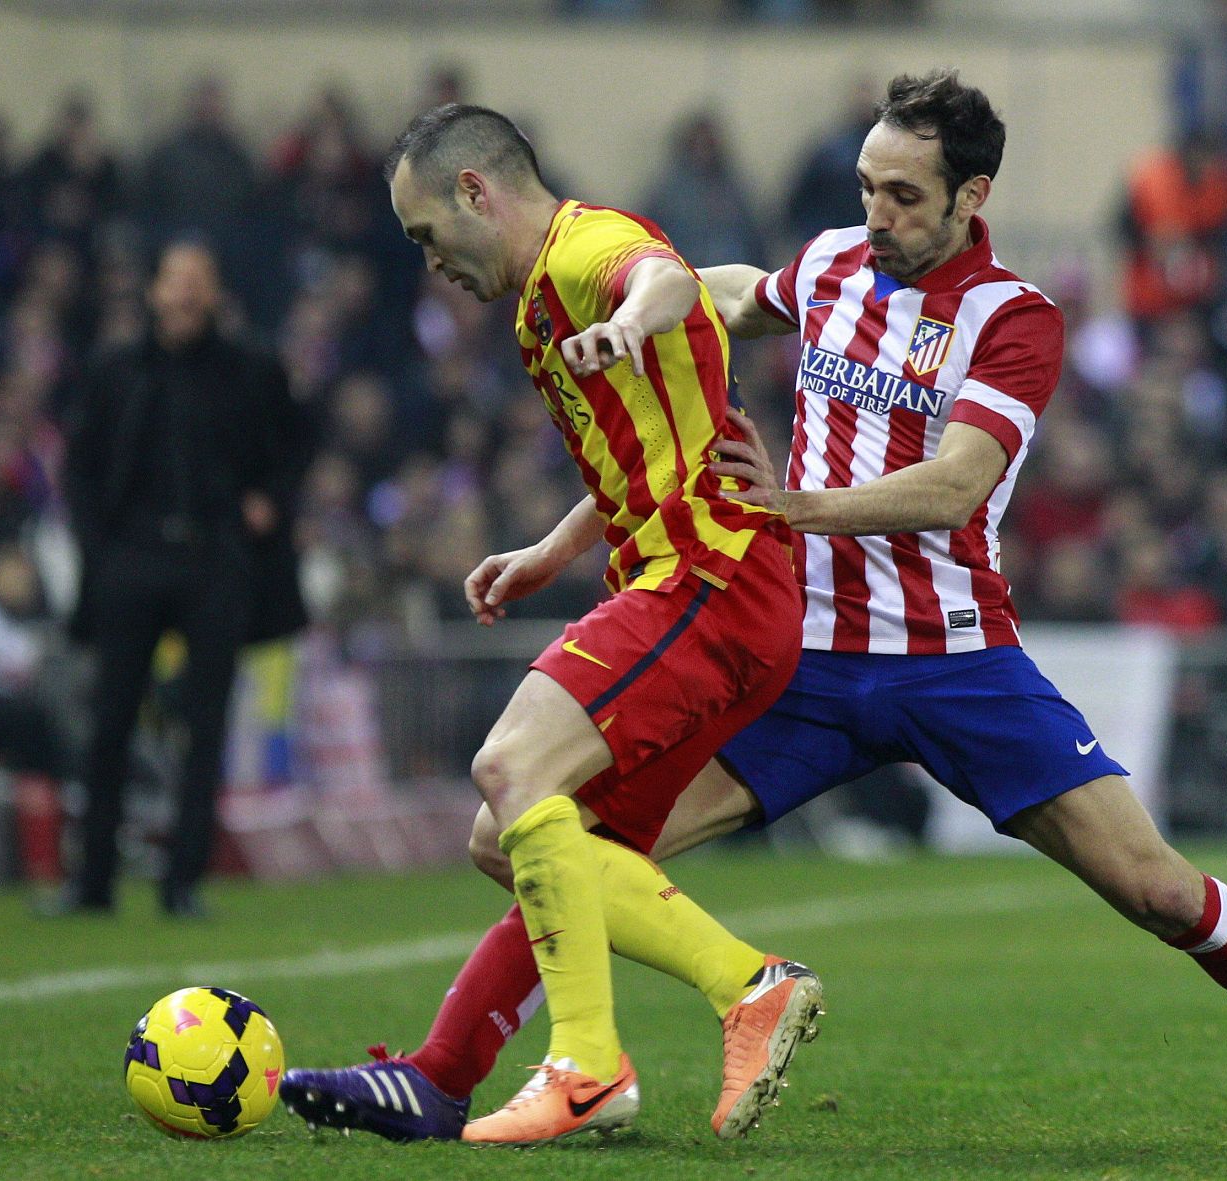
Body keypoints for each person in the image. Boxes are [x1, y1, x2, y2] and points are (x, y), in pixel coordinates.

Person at [284, 73, 1227, 1156]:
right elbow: (706, 293)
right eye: (869, 186)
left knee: (1157, 889)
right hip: (799, 661)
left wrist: (792, 507)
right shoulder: (830, 266)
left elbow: (960, 482)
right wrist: (638, 319)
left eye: (904, 198)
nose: (875, 215)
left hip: (953, 658)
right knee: (561, 838)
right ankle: (442, 1077)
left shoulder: (1015, 319)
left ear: (970, 199)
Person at [282, 104, 822, 1147]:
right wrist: (552, 549)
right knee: (521, 842)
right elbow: (644, 442)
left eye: (426, 234)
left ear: (476, 192)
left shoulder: (587, 250)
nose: (428, 261)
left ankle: (598, 1057)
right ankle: (442, 1077)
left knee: (508, 769)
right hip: (706, 584)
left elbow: (658, 275)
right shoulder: (541, 299)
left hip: (707, 580)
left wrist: (638, 314)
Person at [59, 240, 310, 917]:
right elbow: (79, 467)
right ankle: (93, 881)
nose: (185, 293)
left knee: (206, 725)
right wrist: (100, 549)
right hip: (132, 559)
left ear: (217, 292)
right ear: (154, 291)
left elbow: (293, 450)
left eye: (198, 280)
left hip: (213, 561)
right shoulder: (114, 369)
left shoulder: (253, 370)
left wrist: (268, 503)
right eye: (175, 280)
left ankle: (183, 879)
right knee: (110, 721)